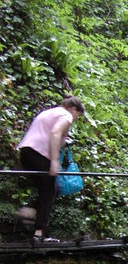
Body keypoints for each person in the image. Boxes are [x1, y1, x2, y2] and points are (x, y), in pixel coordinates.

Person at [16, 96, 85, 243]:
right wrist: (54, 161)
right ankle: (40, 233)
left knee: (48, 190)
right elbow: (55, 133)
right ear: (73, 109)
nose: (75, 120)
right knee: (50, 190)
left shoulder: (48, 112)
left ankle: (31, 213)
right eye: (77, 116)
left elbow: (47, 133)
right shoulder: (66, 115)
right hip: (40, 154)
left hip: (26, 153)